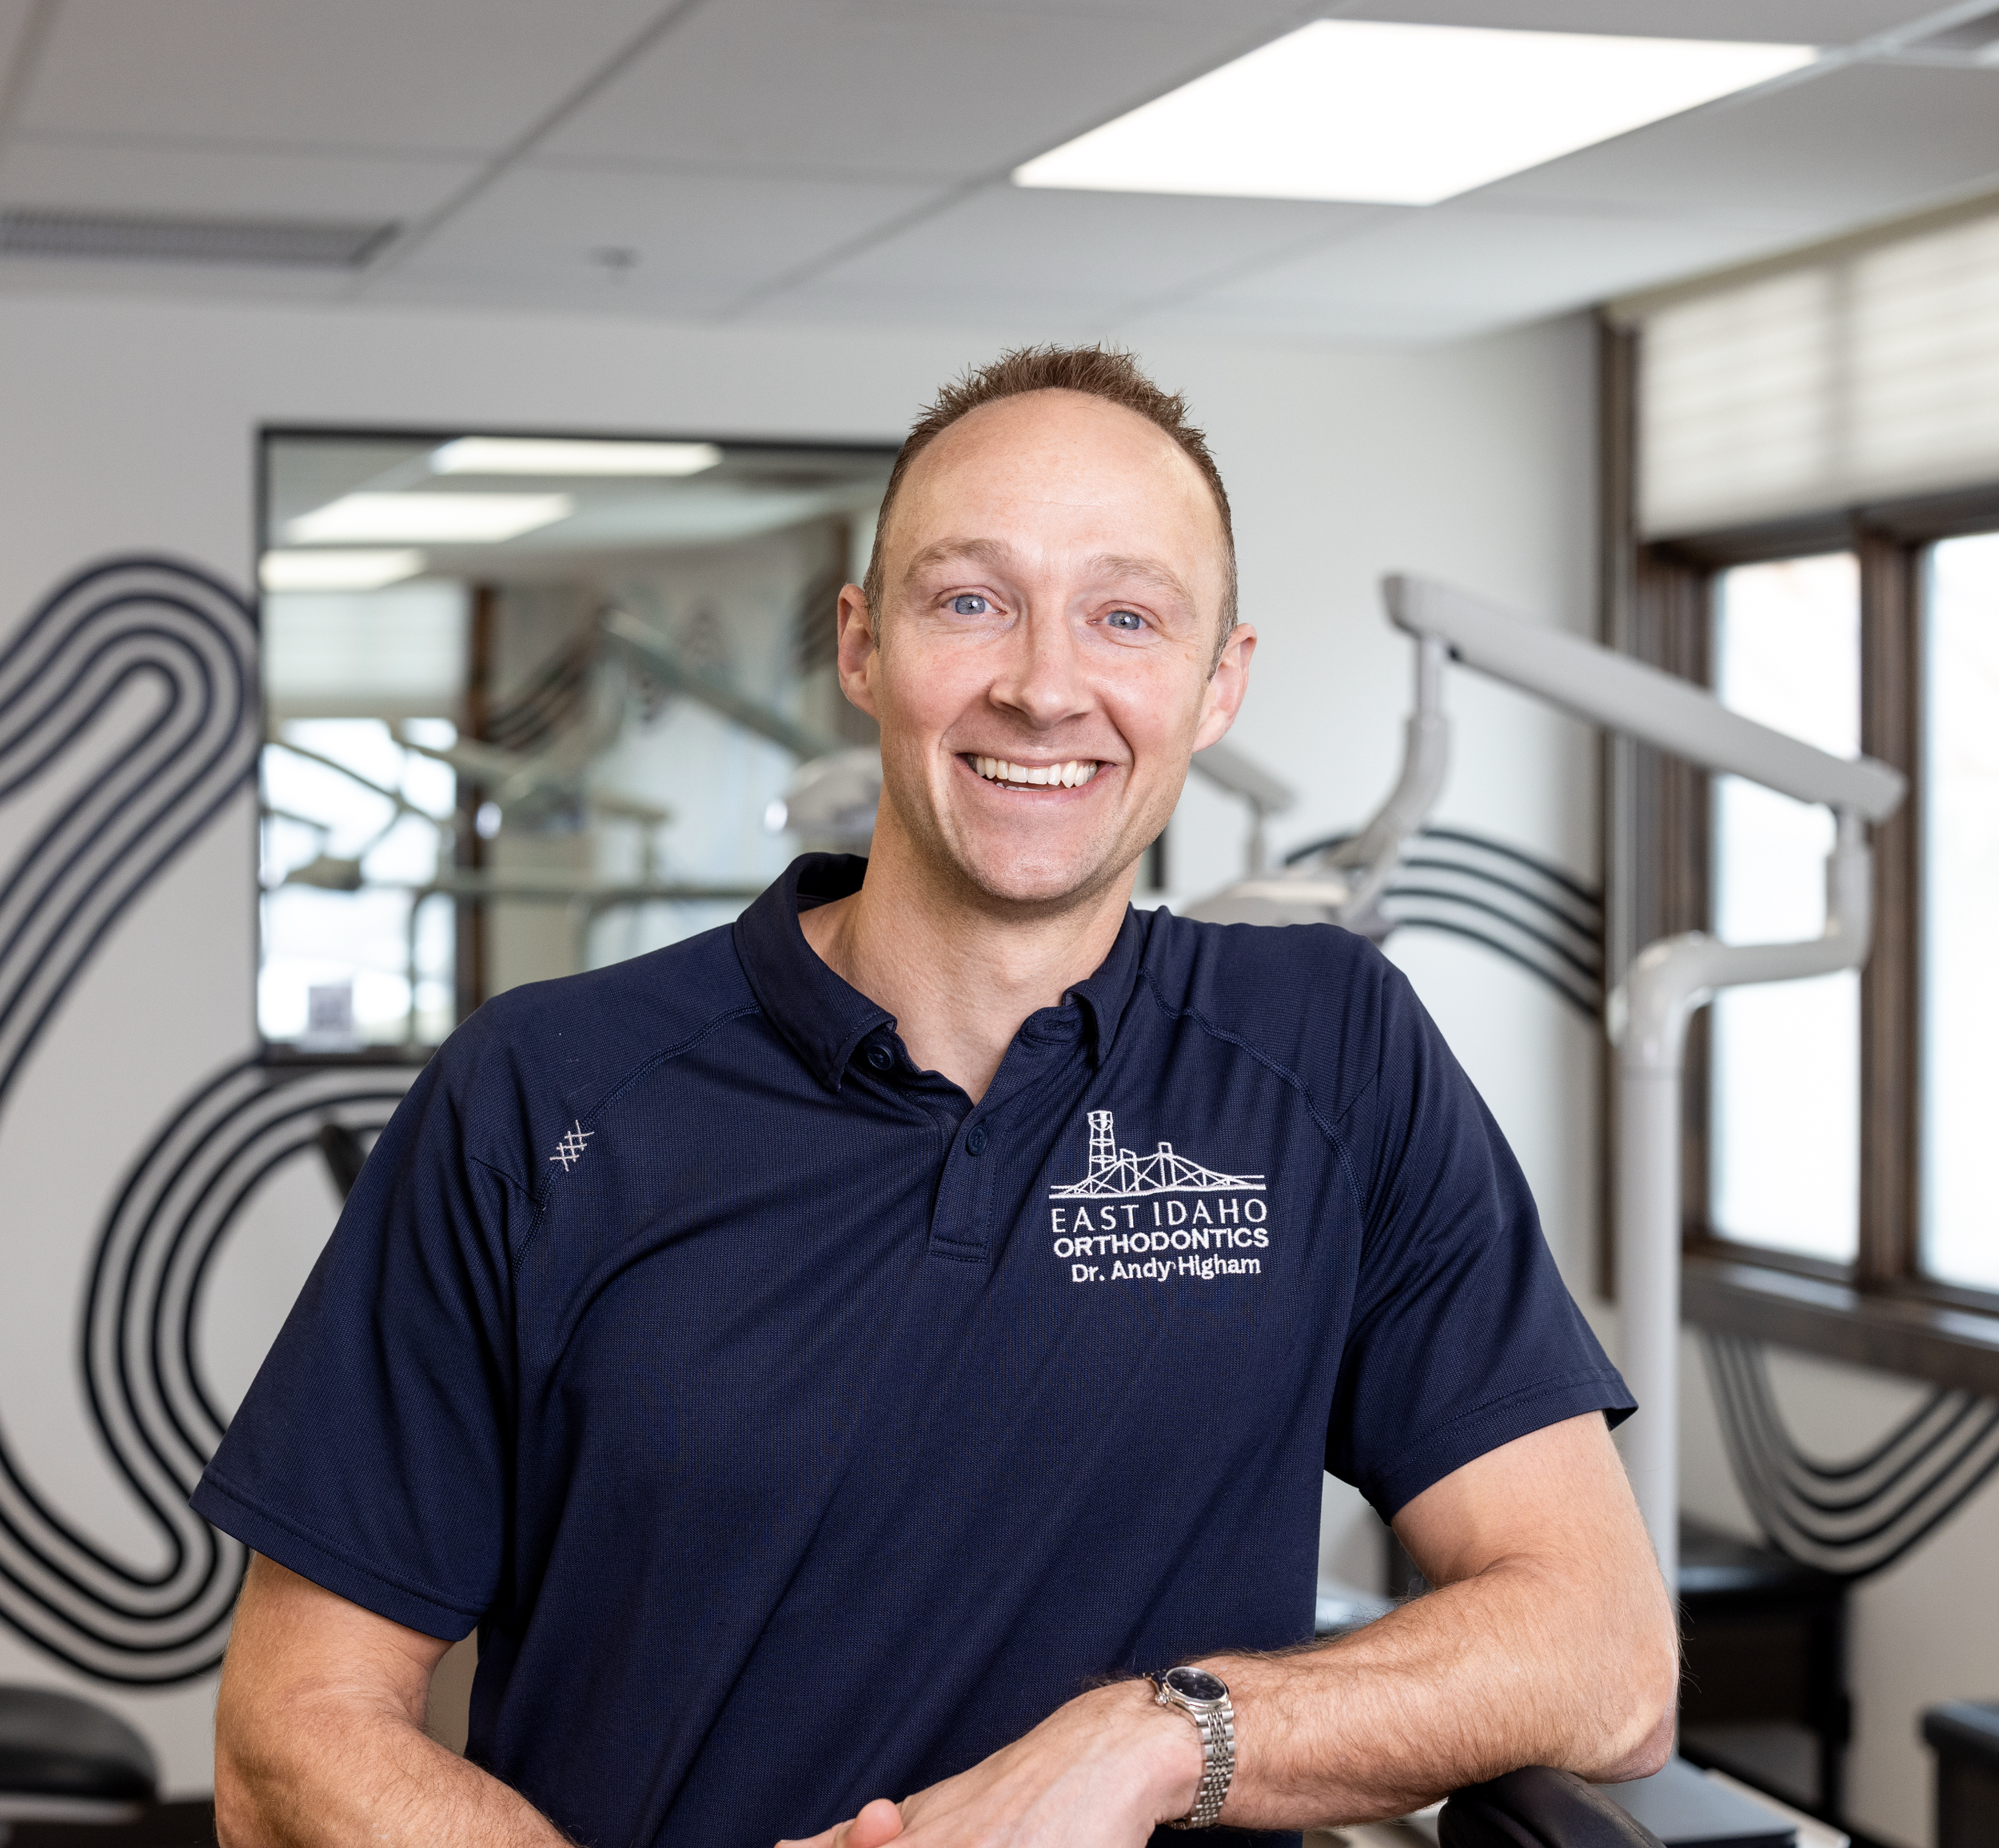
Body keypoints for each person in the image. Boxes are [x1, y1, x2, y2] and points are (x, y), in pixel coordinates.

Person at [198, 346, 1676, 1848]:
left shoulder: (1332, 1052)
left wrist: (1156, 1739)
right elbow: (289, 1736)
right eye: (972, 600)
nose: (1044, 686)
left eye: (1126, 616)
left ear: (1219, 680)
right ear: (862, 645)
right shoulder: (545, 1091)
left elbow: (1606, 1655)